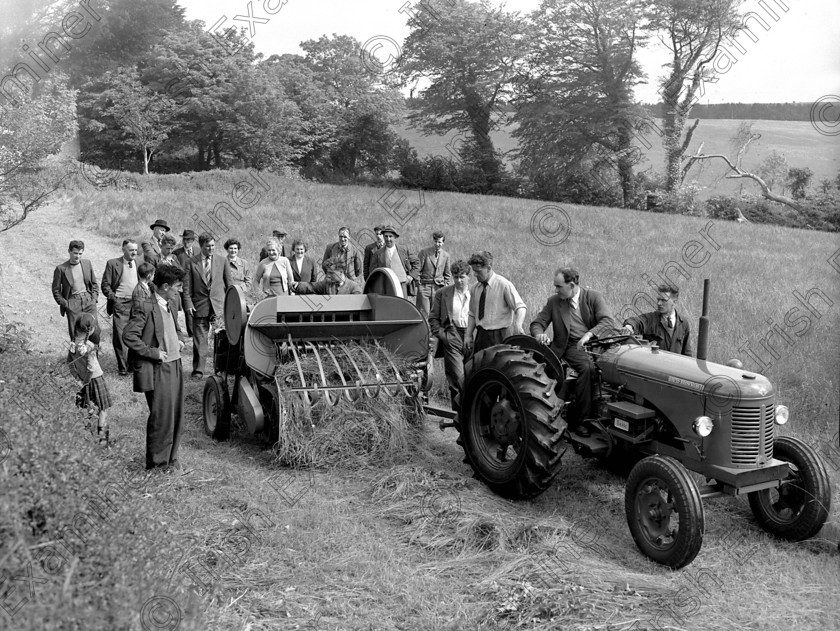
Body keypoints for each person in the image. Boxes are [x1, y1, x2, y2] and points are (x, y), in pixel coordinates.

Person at [530, 268, 616, 436]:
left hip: (594, 342)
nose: (556, 290)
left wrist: (589, 334)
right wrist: (539, 334)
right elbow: (537, 323)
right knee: (587, 368)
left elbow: (608, 321)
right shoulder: (554, 302)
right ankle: (582, 421)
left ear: (571, 285)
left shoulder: (593, 297)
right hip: (570, 346)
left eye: (559, 286)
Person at [122, 264, 187, 472]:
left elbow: (173, 328)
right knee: (162, 417)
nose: (180, 290)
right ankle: (157, 465)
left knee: (176, 415)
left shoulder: (170, 302)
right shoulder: (146, 306)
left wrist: (179, 339)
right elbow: (129, 336)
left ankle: (171, 459)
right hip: (160, 368)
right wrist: (154, 353)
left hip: (175, 364)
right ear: (166, 286)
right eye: (178, 286)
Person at [182, 233, 231, 379]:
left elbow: (230, 285)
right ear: (201, 246)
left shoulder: (222, 261)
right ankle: (198, 371)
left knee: (222, 339)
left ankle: (220, 369)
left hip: (219, 307)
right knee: (200, 341)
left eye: (213, 246)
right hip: (199, 306)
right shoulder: (191, 262)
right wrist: (188, 304)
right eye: (208, 246)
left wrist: (230, 305)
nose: (211, 248)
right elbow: (186, 287)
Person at [464, 251, 526, 354]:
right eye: (474, 271)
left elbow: (520, 307)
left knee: (500, 369)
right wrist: (468, 335)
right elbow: (472, 314)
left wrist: (518, 325)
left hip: (500, 337)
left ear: (488, 268)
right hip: (481, 337)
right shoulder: (475, 288)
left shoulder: (504, 285)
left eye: (478, 271)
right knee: (479, 368)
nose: (475, 274)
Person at [428, 260, 471, 410]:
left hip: (472, 336)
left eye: (462, 277)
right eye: (456, 277)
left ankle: (471, 418)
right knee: (458, 379)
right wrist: (444, 336)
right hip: (452, 335)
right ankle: (458, 416)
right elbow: (433, 318)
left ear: (468, 277)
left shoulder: (476, 293)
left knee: (473, 377)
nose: (459, 280)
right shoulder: (443, 293)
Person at [69, 313, 112, 446]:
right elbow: (91, 368)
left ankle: (86, 437)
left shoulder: (73, 344)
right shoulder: (87, 347)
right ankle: (103, 441)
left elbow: (69, 363)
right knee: (103, 409)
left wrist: (78, 379)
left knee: (86, 408)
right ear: (91, 330)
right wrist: (87, 381)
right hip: (95, 379)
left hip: (82, 380)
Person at [101, 240, 140, 375]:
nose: (134, 252)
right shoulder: (113, 263)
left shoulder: (139, 263)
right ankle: (122, 368)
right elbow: (105, 285)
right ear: (123, 250)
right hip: (120, 305)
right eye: (131, 250)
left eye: (135, 250)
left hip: (136, 304)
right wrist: (115, 299)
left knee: (135, 335)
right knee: (120, 336)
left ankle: (132, 366)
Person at [622, 284, 692, 356]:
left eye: (664, 300)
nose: (659, 303)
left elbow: (687, 353)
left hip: (674, 366)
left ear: (674, 302)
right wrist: (629, 326)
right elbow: (637, 321)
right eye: (658, 299)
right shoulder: (650, 319)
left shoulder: (683, 323)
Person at [52, 239, 99, 340]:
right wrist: (66, 304)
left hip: (88, 301)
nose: (77, 256)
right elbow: (56, 290)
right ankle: (76, 355)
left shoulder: (87, 264)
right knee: (76, 335)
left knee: (94, 332)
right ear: (69, 251)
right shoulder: (61, 269)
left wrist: (94, 299)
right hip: (73, 303)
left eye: (80, 253)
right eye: (75, 253)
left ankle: (93, 355)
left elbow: (94, 283)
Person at [367, 225, 420, 298]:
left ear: (395, 237)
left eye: (390, 236)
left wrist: (411, 276)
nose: (388, 239)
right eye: (386, 236)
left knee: (402, 307)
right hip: (385, 287)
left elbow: (417, 262)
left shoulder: (403, 250)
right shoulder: (378, 254)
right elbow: (372, 271)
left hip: (401, 285)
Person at [416, 230, 452, 317]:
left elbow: (447, 274)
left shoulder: (446, 256)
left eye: (439, 242)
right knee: (424, 313)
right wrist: (419, 285)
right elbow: (417, 269)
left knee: (436, 314)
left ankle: (434, 331)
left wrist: (445, 286)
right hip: (425, 287)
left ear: (443, 243)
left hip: (438, 288)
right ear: (433, 241)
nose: (437, 244)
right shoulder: (424, 252)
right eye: (435, 241)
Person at [294, 258, 363, 295]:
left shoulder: (354, 288)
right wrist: (297, 285)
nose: (328, 276)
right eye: (327, 273)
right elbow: (311, 287)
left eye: (331, 273)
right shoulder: (326, 284)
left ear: (341, 272)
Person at [173, 229, 197, 337]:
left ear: (193, 240)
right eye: (185, 240)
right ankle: (191, 333)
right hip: (182, 286)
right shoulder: (176, 253)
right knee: (187, 310)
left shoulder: (199, 252)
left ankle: (197, 332)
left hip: (196, 286)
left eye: (189, 240)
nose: (187, 242)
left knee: (196, 308)